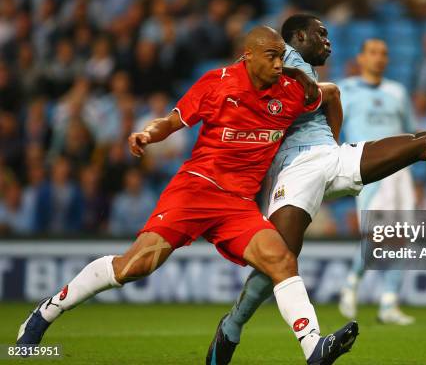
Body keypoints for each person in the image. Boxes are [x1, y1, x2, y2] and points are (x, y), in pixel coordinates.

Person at [209, 13, 426, 364]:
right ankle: (233, 326)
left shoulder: (316, 77)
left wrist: (330, 125)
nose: (328, 40)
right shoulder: (279, 60)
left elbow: (329, 98)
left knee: (418, 143)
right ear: (297, 36)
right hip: (293, 171)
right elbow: (240, 73)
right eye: (320, 33)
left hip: (331, 158)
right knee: (277, 262)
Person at [16, 26, 359, 365]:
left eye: (281, 58)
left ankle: (314, 348)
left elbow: (329, 94)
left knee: (282, 260)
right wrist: (147, 134)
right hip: (195, 190)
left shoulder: (290, 89)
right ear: (248, 56)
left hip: (237, 204)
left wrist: (331, 142)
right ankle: (46, 312)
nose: (278, 65)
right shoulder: (217, 83)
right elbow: (171, 121)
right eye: (271, 57)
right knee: (134, 267)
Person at [337, 39, 416, 325]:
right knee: (377, 236)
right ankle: (352, 281)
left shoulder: (397, 91)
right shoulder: (344, 90)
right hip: (368, 168)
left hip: (400, 171)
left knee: (403, 236)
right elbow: (332, 126)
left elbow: (409, 131)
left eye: (384, 53)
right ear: (361, 57)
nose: (379, 58)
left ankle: (388, 303)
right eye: (373, 52)